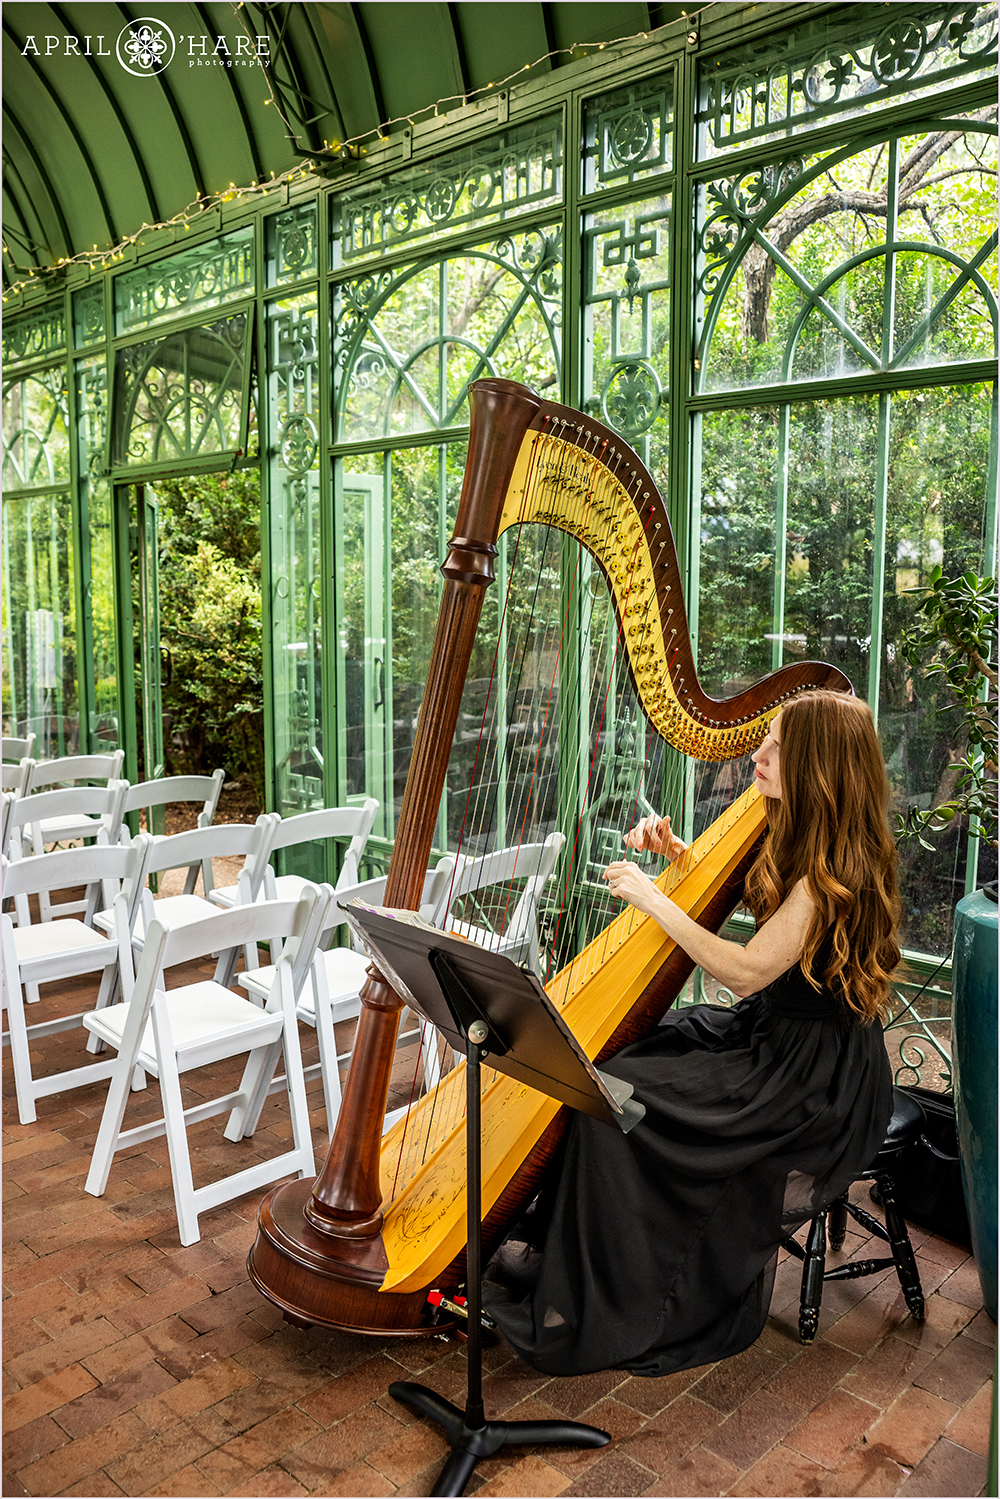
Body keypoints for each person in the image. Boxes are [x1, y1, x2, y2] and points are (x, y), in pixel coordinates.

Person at [483, 690, 899, 1378]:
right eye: (761, 740)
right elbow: (758, 934)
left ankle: (620, 1291)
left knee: (614, 1101)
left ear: (819, 769)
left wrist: (653, 898)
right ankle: (568, 1250)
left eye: (775, 749)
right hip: (771, 1036)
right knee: (625, 1055)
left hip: (807, 1077)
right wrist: (679, 857)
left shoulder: (831, 877)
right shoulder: (795, 826)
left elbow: (743, 970)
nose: (757, 757)